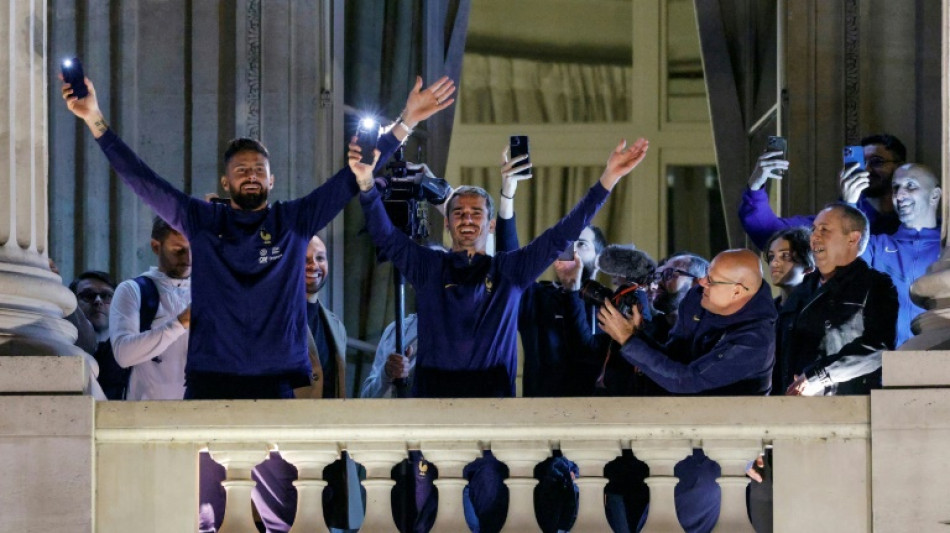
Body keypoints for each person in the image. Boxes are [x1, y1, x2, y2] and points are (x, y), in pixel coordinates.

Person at [62, 73, 455, 399]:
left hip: (277, 378)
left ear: (271, 179)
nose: (250, 174)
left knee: (282, 493)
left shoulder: (294, 220)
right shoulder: (200, 219)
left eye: (258, 169)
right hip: (210, 380)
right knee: (210, 493)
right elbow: (141, 180)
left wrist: (406, 121)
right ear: (225, 181)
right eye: (241, 169)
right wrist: (95, 119)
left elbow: (351, 179)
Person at [351, 137, 649, 398]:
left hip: (492, 416)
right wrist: (366, 185)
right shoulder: (428, 266)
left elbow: (562, 235)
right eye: (459, 212)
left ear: (491, 224)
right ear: (446, 221)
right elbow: (385, 237)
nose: (467, 219)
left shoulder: (510, 270)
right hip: (433, 413)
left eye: (476, 212)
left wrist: (607, 180)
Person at [778, 203, 899, 396]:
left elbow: (878, 350)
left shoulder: (874, 285)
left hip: (847, 407)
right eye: (814, 229)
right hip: (793, 410)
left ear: (853, 238)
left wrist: (818, 377)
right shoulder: (801, 291)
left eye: (824, 230)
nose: (814, 236)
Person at [739, 134, 905, 250]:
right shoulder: (828, 220)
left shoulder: (910, 218)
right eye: (862, 162)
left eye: (877, 162)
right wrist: (755, 187)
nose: (867, 169)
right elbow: (772, 234)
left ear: (900, 166)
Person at [517, 225, 608, 397]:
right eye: (567, 244)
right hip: (540, 411)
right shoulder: (537, 296)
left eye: (581, 244)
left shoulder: (610, 305)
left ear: (599, 259)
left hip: (594, 412)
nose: (572, 250)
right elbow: (512, 269)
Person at [110, 216, 192, 400]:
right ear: (156, 247)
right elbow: (123, 354)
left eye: (193, 248)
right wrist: (180, 322)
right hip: (147, 414)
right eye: (178, 250)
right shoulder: (132, 290)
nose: (188, 258)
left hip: (202, 414)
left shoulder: (208, 290)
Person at [860, 163, 942, 346]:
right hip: (886, 367)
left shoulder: (946, 249)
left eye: (910, 186)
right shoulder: (876, 246)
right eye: (896, 187)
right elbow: (843, 255)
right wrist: (850, 203)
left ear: (935, 195)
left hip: (942, 366)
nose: (900, 194)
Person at [70, 270, 127, 400]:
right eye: (88, 295)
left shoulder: (130, 352)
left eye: (107, 296)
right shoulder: (62, 348)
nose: (98, 301)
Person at [645, 253, 709, 343]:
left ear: (696, 284)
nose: (657, 283)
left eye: (669, 274)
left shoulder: (709, 336)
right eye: (658, 275)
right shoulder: (648, 328)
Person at [762, 227, 814, 307]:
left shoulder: (814, 308)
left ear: (807, 267)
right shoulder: (768, 311)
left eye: (785, 256)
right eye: (771, 257)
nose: (773, 263)